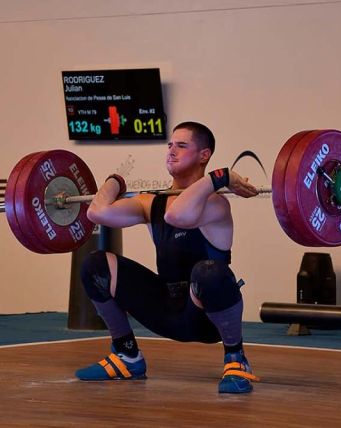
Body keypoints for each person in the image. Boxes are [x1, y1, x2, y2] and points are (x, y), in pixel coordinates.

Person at [75, 121, 261, 394]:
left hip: (205, 317)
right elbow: (97, 213)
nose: (171, 151)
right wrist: (115, 181)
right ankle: (127, 356)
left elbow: (179, 216)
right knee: (95, 265)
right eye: (170, 145)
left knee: (209, 271)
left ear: (204, 155)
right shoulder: (152, 202)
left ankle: (235, 359)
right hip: (167, 309)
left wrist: (216, 180)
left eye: (182, 146)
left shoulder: (216, 204)